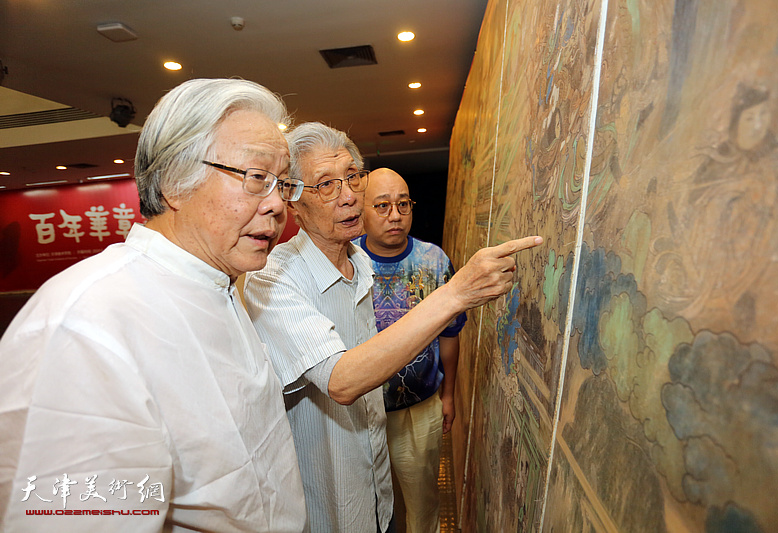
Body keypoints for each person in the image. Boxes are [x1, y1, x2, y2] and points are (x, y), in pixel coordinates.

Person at [0, 78, 307, 532]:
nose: (278, 204)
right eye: (257, 178)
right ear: (174, 183)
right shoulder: (88, 325)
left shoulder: (217, 284)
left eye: (283, 183)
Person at [243, 122, 543, 533]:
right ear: (293, 200)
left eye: (352, 176)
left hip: (375, 489)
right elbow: (343, 380)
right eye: (326, 184)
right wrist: (455, 294)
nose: (349, 195)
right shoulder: (271, 279)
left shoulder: (360, 262)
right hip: (326, 505)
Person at [356, 167, 463, 533]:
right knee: (366, 506)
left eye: (403, 204)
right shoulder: (345, 261)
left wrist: (448, 395)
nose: (395, 216)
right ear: (361, 210)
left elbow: (451, 334)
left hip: (419, 409)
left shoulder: (434, 261)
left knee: (422, 503)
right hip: (357, 413)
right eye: (382, 206)